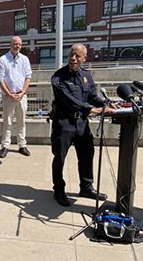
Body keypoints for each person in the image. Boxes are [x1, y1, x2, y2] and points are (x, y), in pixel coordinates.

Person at [50, 43, 117, 207]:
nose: (73, 58)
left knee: (87, 154)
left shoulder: (86, 76)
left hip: (81, 123)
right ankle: (59, 190)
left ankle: (86, 187)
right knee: (59, 157)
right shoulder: (58, 77)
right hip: (64, 123)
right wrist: (92, 109)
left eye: (77, 56)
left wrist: (106, 102)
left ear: (84, 58)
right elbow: (70, 100)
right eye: (71, 55)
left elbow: (93, 96)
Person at [0, 36, 32, 158]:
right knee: (7, 122)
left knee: (22, 122)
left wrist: (22, 93)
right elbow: (0, 79)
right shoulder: (3, 59)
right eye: (15, 43)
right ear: (10, 44)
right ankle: (5, 146)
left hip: (22, 95)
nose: (17, 46)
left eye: (19, 44)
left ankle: (22, 145)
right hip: (8, 96)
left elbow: (28, 77)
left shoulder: (25, 59)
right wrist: (9, 93)